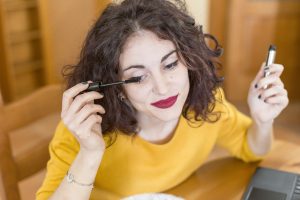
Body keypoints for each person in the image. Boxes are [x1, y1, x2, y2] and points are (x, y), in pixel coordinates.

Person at [36, 0, 289, 199]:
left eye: (169, 65)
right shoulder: (84, 129)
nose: (163, 87)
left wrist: (262, 120)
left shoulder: (204, 104)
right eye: (138, 78)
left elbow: (253, 149)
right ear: (117, 88)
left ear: (188, 61)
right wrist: (90, 153)